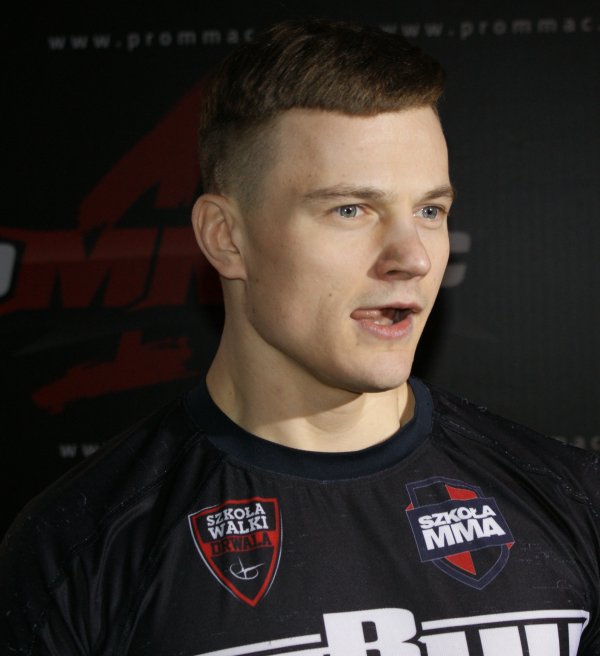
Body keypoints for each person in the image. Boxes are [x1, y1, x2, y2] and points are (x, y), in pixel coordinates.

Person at [1, 18, 599, 656]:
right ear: (226, 238)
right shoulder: (77, 547)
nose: (414, 257)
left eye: (430, 210)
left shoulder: (571, 498)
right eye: (351, 210)